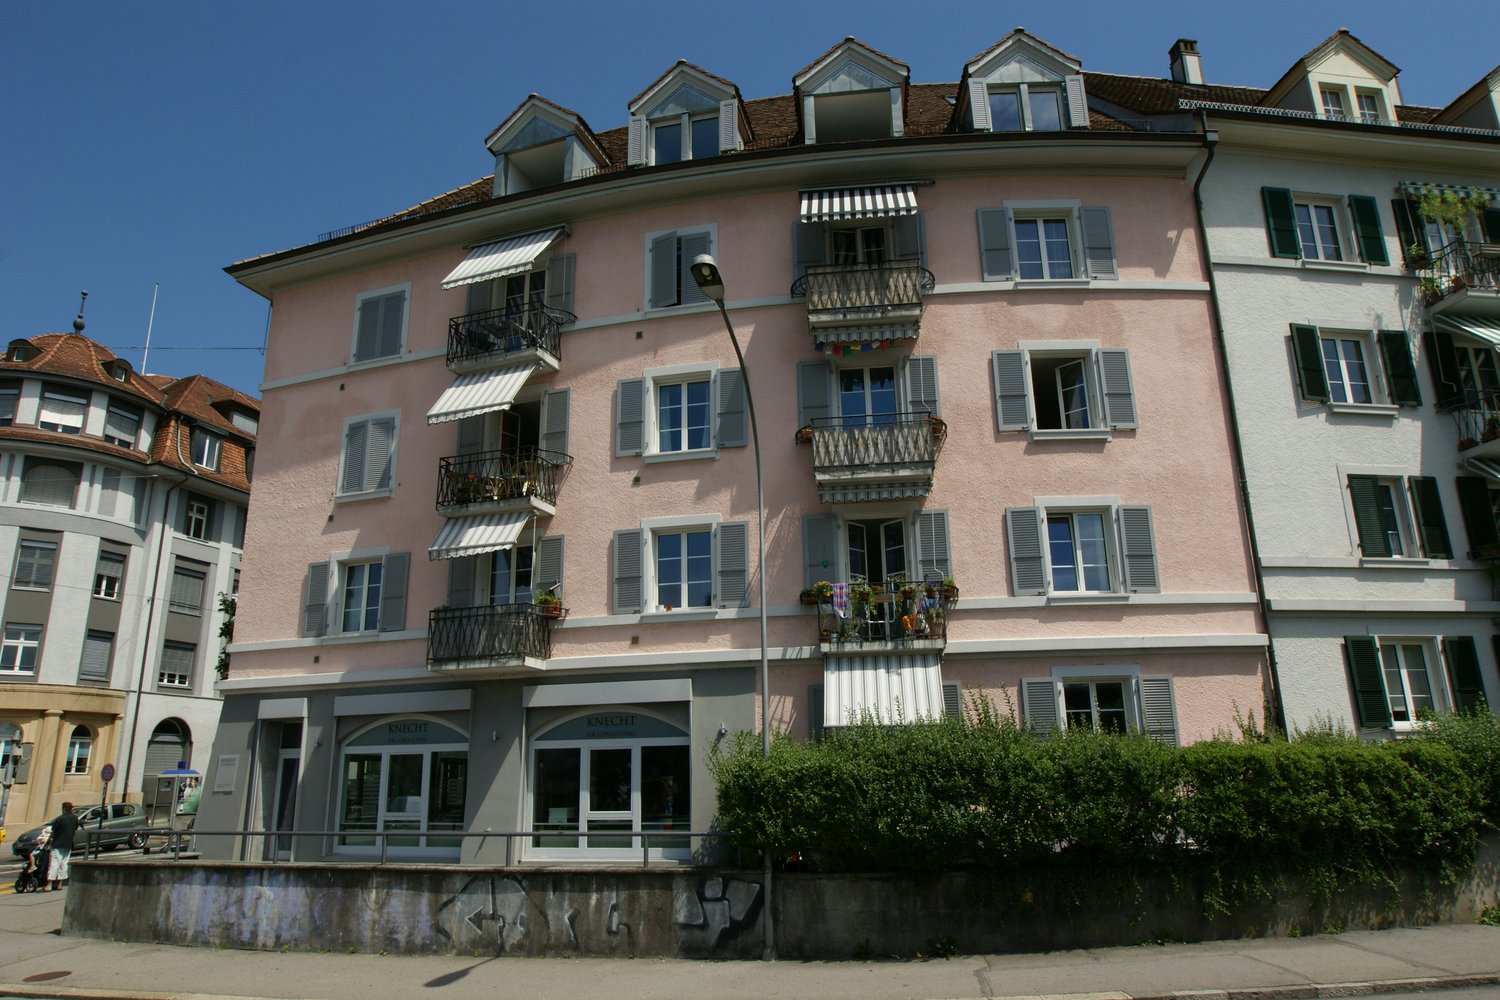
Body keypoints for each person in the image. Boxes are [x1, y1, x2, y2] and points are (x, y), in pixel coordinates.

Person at [46, 801, 80, 891]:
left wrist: (49, 840)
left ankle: (49, 884)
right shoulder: (75, 818)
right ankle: (59, 884)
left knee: (54, 863)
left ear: (64, 809)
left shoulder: (60, 819)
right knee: (64, 864)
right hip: (68, 844)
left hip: (58, 844)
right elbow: (75, 828)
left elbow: (53, 831)